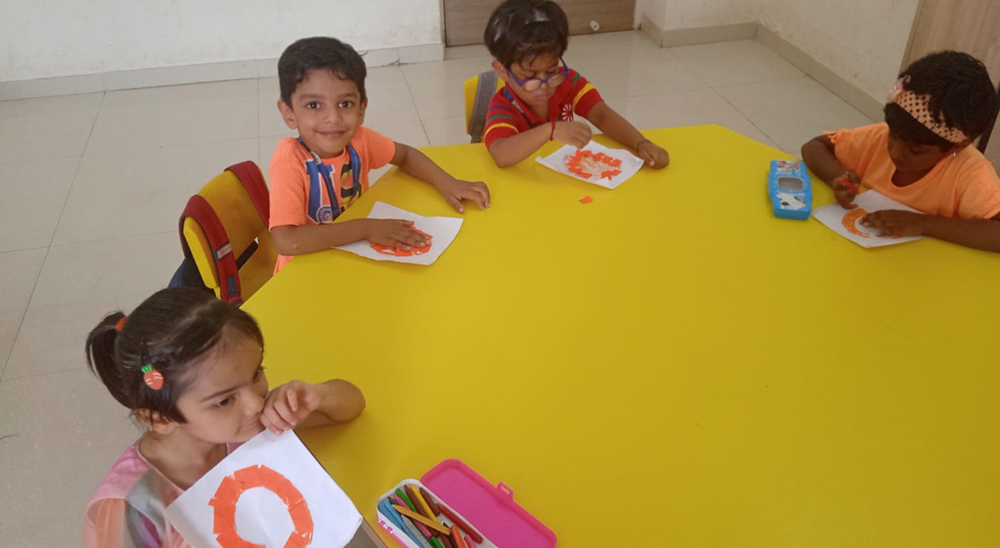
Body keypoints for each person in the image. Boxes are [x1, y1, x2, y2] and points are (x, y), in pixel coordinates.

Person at [83, 288, 366, 547]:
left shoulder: (248, 422)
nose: (255, 403)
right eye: (223, 400)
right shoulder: (133, 507)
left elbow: (352, 405)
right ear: (160, 419)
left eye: (256, 373)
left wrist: (317, 396)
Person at [269, 37, 491, 272]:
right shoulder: (289, 160)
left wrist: (447, 183)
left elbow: (405, 155)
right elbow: (287, 241)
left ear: (362, 109)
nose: (333, 118)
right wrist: (366, 228)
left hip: (355, 256)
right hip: (303, 270)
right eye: (314, 105)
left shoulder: (360, 139)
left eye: (345, 104)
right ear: (289, 112)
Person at [801, 51, 1000, 252]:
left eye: (916, 150)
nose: (896, 152)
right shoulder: (878, 137)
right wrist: (836, 178)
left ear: (957, 146)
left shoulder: (971, 175)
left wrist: (924, 224)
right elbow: (814, 147)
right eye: (893, 136)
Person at [481, 0, 670, 169]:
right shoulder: (504, 106)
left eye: (551, 71)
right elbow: (501, 154)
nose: (544, 86)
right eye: (529, 76)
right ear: (502, 71)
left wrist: (641, 143)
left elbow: (601, 115)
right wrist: (550, 131)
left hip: (562, 179)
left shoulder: (567, 81)